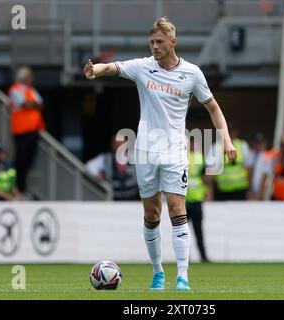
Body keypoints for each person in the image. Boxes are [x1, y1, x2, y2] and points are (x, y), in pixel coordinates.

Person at [83, 17, 236, 291]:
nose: (154, 46)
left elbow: (213, 108)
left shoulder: (192, 73)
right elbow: (114, 67)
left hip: (176, 151)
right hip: (145, 151)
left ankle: (183, 276)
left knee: (178, 209)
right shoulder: (143, 67)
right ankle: (157, 272)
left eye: (159, 42)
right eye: (152, 42)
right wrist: (97, 70)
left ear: (173, 42)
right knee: (152, 214)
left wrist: (225, 140)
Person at [8, 66, 45, 193]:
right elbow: (25, 104)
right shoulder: (15, 89)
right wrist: (32, 104)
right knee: (20, 159)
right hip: (21, 130)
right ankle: (16, 185)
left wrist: (32, 104)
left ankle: (21, 186)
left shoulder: (31, 90)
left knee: (28, 159)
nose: (31, 79)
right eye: (29, 76)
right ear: (23, 78)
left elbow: (40, 104)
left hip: (33, 129)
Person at [86, 134, 140, 201]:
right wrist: (97, 175)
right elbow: (89, 165)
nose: (119, 146)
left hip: (133, 199)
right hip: (114, 200)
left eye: (121, 143)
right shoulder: (105, 158)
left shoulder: (136, 157)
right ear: (113, 145)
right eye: (117, 144)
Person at [212, 123, 251, 201]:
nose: (230, 133)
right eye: (228, 131)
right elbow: (212, 172)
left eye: (232, 131)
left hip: (240, 190)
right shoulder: (216, 147)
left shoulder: (243, 145)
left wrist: (249, 189)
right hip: (223, 191)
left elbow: (248, 168)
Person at [186, 139, 210, 262]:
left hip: (195, 198)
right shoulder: (199, 157)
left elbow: (206, 177)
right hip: (184, 200)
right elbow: (206, 177)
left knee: (197, 231)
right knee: (186, 232)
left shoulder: (198, 157)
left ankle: (202, 256)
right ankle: (188, 257)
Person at [248, 133, 268, 201]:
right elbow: (249, 172)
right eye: (256, 142)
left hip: (263, 191)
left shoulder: (268, 156)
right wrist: (249, 189)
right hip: (251, 190)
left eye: (260, 143)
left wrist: (262, 192)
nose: (258, 145)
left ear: (264, 143)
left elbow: (266, 175)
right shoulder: (250, 154)